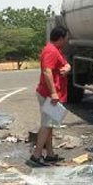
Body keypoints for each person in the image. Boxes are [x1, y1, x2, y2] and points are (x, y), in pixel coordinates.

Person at [27, 26, 71, 167]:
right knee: (46, 125)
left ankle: (50, 154)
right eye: (66, 38)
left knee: (50, 124)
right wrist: (53, 92)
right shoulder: (51, 51)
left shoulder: (55, 50)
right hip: (48, 94)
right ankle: (36, 155)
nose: (67, 40)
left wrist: (68, 67)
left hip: (51, 93)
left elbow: (64, 64)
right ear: (61, 38)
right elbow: (47, 71)